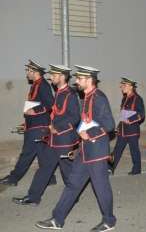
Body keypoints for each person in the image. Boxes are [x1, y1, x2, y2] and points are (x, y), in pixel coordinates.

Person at [36, 65, 116, 232]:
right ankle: (57, 219)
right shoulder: (86, 97)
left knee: (101, 187)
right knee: (72, 184)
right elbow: (86, 121)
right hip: (85, 151)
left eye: (80, 79)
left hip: (97, 152)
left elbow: (109, 124)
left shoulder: (99, 97)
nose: (77, 81)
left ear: (89, 80)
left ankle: (109, 221)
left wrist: (91, 133)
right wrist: (78, 143)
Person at [12, 64, 80, 206]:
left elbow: (75, 117)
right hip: (54, 138)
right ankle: (33, 197)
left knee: (67, 171)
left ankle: (73, 196)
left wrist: (58, 128)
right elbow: (55, 114)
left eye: (54, 75)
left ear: (62, 77)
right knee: (44, 168)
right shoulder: (59, 93)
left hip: (64, 139)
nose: (51, 77)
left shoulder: (70, 94)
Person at [0, 60, 55, 186]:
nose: (27, 73)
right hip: (34, 125)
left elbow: (50, 104)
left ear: (35, 72)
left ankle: (13, 178)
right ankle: (50, 178)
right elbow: (34, 104)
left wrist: (34, 111)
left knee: (26, 154)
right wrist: (27, 123)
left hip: (39, 127)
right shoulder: (35, 85)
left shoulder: (43, 85)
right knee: (42, 155)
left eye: (28, 71)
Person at [111, 78, 145, 175]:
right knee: (117, 150)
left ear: (131, 87)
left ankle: (137, 169)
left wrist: (130, 120)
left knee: (134, 150)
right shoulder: (124, 98)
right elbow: (123, 115)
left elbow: (141, 114)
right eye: (122, 85)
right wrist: (118, 126)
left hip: (132, 129)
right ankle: (110, 168)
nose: (122, 87)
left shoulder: (137, 98)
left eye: (124, 85)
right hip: (123, 129)